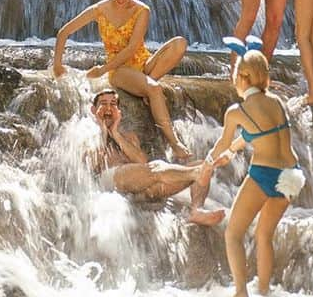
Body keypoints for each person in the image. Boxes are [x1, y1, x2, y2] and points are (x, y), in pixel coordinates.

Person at [52, 0, 191, 161]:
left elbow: (133, 48)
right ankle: (174, 142)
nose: (122, 0)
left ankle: (144, 87)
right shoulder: (99, 9)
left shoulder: (142, 10)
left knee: (180, 43)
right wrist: (58, 64)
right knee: (154, 89)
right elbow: (63, 32)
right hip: (119, 69)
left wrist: (100, 70)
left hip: (143, 63)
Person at [205, 50, 305, 297]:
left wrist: (207, 163)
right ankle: (263, 290)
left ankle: (240, 292)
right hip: (291, 175)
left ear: (242, 78)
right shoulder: (275, 102)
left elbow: (221, 143)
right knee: (264, 234)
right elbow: (262, 133)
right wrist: (233, 152)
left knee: (234, 234)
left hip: (264, 173)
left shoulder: (236, 111)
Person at [87, 89, 224, 226]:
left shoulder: (129, 137)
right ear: (94, 110)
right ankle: (197, 173)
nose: (109, 108)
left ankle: (197, 210)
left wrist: (116, 133)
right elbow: (92, 164)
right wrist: (103, 130)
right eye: (103, 104)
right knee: (158, 166)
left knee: (199, 164)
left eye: (113, 104)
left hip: (139, 187)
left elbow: (142, 162)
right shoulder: (85, 135)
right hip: (109, 182)